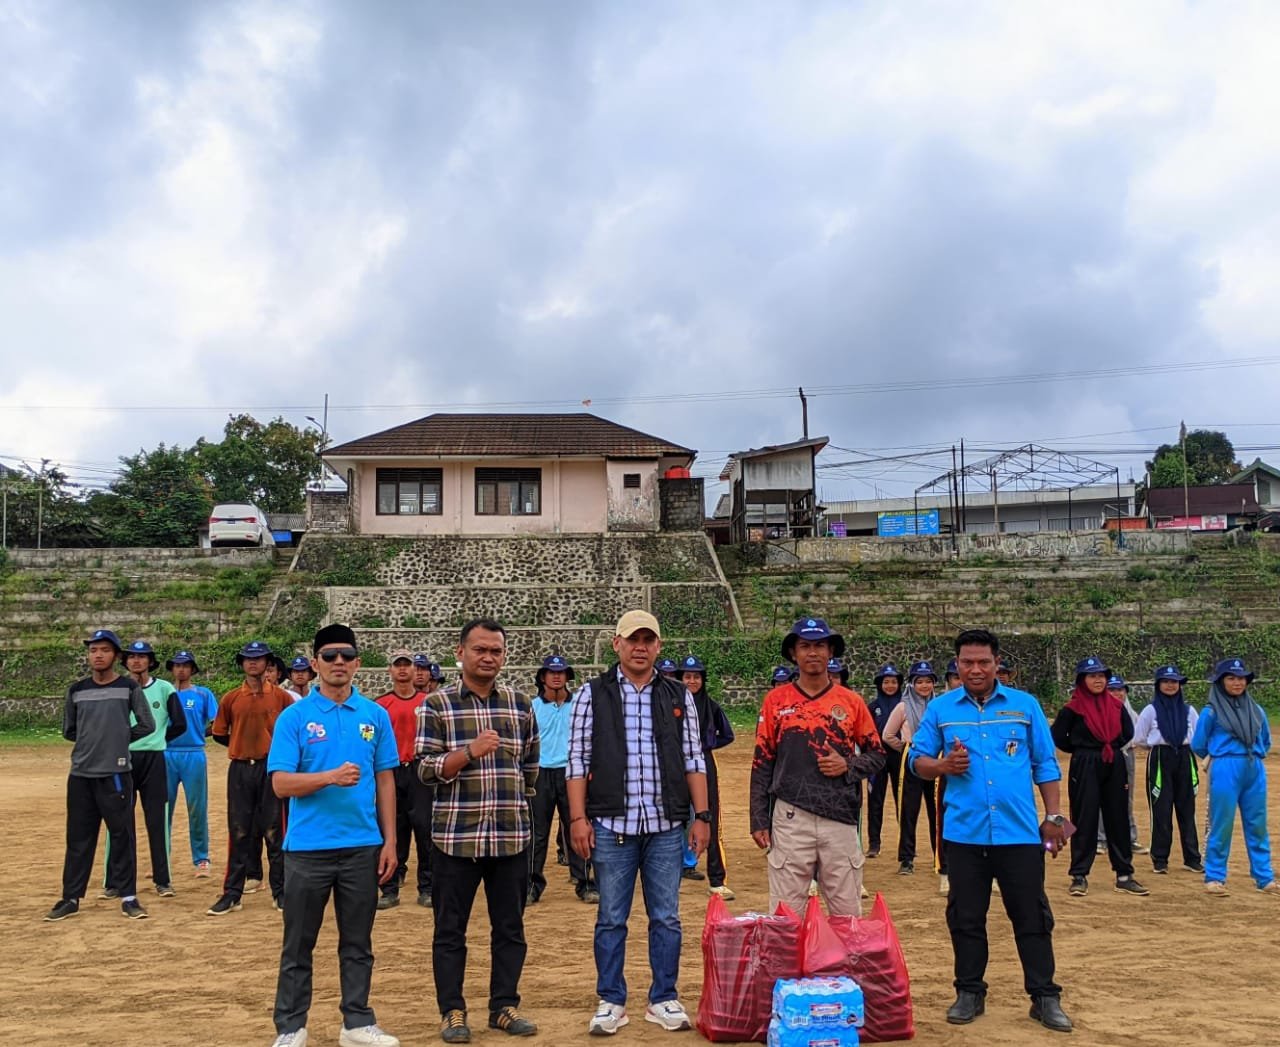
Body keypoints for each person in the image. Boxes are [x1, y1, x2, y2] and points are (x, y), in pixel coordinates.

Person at [910, 628, 1072, 1033]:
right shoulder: (941, 710)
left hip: (1020, 835)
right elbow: (917, 761)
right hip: (964, 835)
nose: (976, 669)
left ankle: (1044, 997)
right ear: (957, 665)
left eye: (984, 662)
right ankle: (969, 992)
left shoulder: (1024, 706)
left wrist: (1054, 817)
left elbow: (1045, 764)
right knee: (965, 917)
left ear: (997, 663)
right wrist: (943, 766)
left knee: (1032, 916)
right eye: (967, 663)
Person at [567, 610, 710, 1036]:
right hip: (612, 825)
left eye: (648, 640)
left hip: (665, 826)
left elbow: (693, 758)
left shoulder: (677, 695)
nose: (640, 647)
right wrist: (578, 817)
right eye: (633, 639)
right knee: (611, 917)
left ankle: (663, 996)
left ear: (658, 646)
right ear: (617, 644)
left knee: (666, 917)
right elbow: (577, 760)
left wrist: (702, 816)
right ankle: (611, 999)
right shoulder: (592, 694)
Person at [267, 623, 401, 1047]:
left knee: (358, 942)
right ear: (315, 663)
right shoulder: (295, 717)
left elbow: (385, 780)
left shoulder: (374, 715)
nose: (338, 662)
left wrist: (390, 841)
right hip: (308, 850)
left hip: (362, 846)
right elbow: (281, 784)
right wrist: (328, 777)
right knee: (298, 945)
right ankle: (291, 1028)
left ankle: (357, 1022)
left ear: (357, 663)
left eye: (346, 656)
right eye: (329, 656)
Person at [417, 619, 541, 1042]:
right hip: (456, 838)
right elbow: (426, 769)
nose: (488, 657)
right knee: (450, 931)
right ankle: (452, 1011)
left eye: (496, 651)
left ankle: (503, 1007)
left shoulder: (520, 705)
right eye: (480, 650)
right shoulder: (437, 705)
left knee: (510, 928)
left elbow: (531, 766)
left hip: (510, 836)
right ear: (461, 652)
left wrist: (517, 801)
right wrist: (468, 752)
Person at [750, 617, 884, 917]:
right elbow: (762, 761)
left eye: (820, 645)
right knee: (786, 916)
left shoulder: (851, 702)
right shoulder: (776, 701)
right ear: (793, 653)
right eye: (805, 646)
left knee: (847, 915)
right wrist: (758, 818)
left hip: (840, 817)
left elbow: (877, 754)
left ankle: (843, 953)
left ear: (830, 651)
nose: (813, 652)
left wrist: (847, 765)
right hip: (790, 816)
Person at [45, 629, 155, 922]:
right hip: (81, 775)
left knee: (122, 836)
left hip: (116, 774)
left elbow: (147, 724)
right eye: (93, 650)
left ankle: (128, 897)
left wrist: (119, 739)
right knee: (78, 838)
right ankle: (70, 898)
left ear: (116, 656)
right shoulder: (77, 690)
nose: (98, 655)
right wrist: (93, 741)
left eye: (105, 650)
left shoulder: (128, 688)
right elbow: (69, 730)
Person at [1051, 656, 1147, 898]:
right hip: (1085, 764)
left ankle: (1124, 874)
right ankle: (1079, 875)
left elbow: (1128, 732)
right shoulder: (1072, 709)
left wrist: (1108, 746)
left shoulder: (1116, 706)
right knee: (1084, 816)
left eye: (1102, 676)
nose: (1098, 680)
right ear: (1082, 680)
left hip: (1113, 761)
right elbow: (1059, 736)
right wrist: (1082, 750)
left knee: (1118, 817)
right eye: (1092, 676)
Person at [208, 640, 292, 915]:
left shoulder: (281, 698)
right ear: (242, 663)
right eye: (247, 658)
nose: (253, 662)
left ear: (268, 663)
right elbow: (219, 733)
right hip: (241, 769)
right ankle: (232, 893)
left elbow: (292, 733)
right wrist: (240, 745)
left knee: (275, 830)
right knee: (239, 830)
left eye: (258, 658)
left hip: (271, 769)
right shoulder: (231, 698)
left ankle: (281, 892)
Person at [1191, 657, 1278, 896]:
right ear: (1221, 682)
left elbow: (1265, 741)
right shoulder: (1211, 712)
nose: (1237, 683)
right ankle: (1214, 877)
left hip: (1253, 766)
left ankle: (1264, 877)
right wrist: (1220, 757)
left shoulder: (1256, 710)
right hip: (1225, 766)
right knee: (1222, 823)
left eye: (1241, 678)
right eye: (1231, 678)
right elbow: (1199, 743)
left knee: (1257, 824)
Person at [119, 639, 186, 898]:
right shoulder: (118, 688)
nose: (136, 661)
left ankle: (162, 880)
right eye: (131, 657)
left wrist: (159, 739)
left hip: (154, 760)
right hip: (122, 759)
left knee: (157, 820)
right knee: (119, 821)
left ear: (150, 661)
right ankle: (115, 881)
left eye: (142, 656)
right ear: (125, 661)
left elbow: (179, 723)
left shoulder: (165, 688)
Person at [529, 654, 596, 904]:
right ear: (542, 677)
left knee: (578, 827)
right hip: (540, 773)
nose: (556, 676)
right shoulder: (532, 707)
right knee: (537, 832)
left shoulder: (579, 705)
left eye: (561, 672)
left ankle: (585, 882)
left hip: (572, 773)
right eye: (551, 672)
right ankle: (531, 884)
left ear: (568, 676)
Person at [374, 650, 431, 911]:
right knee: (391, 830)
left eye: (407, 665)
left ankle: (427, 888)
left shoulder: (428, 702)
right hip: (391, 771)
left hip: (420, 771)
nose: (403, 669)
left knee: (425, 830)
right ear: (391, 670)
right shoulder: (380, 705)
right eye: (398, 665)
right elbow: (370, 739)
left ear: (415, 669)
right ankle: (389, 888)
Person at [1133, 664, 1202, 875]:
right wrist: (1157, 747)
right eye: (1166, 681)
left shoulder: (1189, 711)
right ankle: (1160, 858)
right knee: (1161, 809)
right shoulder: (1150, 710)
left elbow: (1198, 736)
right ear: (1158, 685)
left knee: (1187, 809)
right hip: (1160, 758)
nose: (1170, 685)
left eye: (1174, 682)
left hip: (1185, 757)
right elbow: (1139, 738)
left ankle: (1192, 858)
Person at [680, 655, 735, 900]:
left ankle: (717, 880)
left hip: (704, 762)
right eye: (687, 677)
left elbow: (728, 735)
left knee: (709, 817)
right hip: (676, 764)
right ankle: (670, 872)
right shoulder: (670, 704)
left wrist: (707, 745)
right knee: (672, 819)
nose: (692, 681)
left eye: (696, 677)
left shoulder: (711, 706)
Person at [882, 660, 941, 880]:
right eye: (920, 681)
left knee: (937, 811)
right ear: (912, 684)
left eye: (928, 681)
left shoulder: (940, 705)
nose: (924, 686)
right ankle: (906, 859)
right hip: (911, 762)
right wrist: (907, 749)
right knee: (909, 810)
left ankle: (940, 857)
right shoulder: (903, 707)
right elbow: (888, 735)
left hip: (936, 762)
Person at [165, 649, 220, 878]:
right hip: (166, 754)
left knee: (197, 808)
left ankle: (201, 859)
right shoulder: (164, 692)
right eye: (177, 665)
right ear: (172, 669)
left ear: (192, 669)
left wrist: (198, 734)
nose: (181, 670)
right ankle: (162, 858)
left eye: (185, 665)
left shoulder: (202, 694)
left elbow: (217, 723)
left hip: (194, 754)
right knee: (163, 809)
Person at [1097, 674, 1147, 857]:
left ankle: (1129, 838)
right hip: (1103, 755)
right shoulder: (1099, 710)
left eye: (1120, 689)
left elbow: (1139, 736)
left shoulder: (1132, 714)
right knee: (1101, 795)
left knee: (1126, 797)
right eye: (1112, 690)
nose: (1117, 693)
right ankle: (1101, 839)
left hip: (1126, 756)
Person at [864, 664, 903, 860]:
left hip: (899, 756)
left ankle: (906, 845)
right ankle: (874, 844)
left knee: (902, 800)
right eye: (886, 682)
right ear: (879, 684)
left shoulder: (905, 705)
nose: (890, 685)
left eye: (893, 682)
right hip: (877, 758)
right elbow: (865, 732)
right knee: (875, 800)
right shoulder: (873, 707)